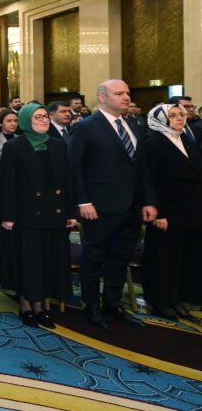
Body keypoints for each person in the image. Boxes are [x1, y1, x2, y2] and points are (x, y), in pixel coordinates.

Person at [69, 79, 155, 330]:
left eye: (127, 93)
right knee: (94, 258)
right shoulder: (86, 126)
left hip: (131, 207)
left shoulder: (134, 125)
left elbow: (141, 169)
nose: (126, 97)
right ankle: (91, 305)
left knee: (120, 258)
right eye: (119, 93)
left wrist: (147, 201)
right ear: (102, 97)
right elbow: (75, 167)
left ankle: (113, 303)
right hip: (99, 206)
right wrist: (83, 201)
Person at [0, 103, 77, 329]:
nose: (43, 120)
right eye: (38, 117)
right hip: (26, 217)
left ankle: (41, 307)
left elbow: (68, 181)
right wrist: (7, 216)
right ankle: (26, 306)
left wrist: (71, 212)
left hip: (55, 216)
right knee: (30, 263)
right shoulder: (14, 146)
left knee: (49, 262)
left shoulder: (58, 145)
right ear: (25, 121)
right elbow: (7, 184)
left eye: (45, 117)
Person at [141, 103, 202, 322]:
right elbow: (148, 179)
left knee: (186, 257)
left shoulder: (186, 139)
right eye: (173, 115)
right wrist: (158, 211)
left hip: (192, 208)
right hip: (166, 209)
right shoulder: (152, 142)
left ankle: (177, 298)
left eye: (181, 115)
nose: (179, 119)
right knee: (164, 257)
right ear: (160, 119)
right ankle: (160, 300)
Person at [0, 108, 19, 182]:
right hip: (0, 179)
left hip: (19, 179)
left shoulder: (20, 139)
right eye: (9, 121)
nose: (13, 124)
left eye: (15, 121)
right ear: (0, 123)